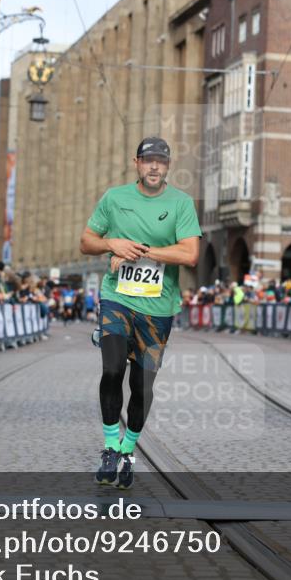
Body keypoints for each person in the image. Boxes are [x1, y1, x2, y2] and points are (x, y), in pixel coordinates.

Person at [79, 136, 201, 489]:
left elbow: (189, 254)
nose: (154, 167)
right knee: (113, 368)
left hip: (158, 308)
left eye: (160, 161)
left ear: (168, 166)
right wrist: (110, 244)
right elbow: (86, 242)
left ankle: (128, 451)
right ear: (137, 163)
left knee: (141, 385)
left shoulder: (181, 203)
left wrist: (140, 252)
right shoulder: (115, 198)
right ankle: (109, 448)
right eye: (148, 160)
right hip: (117, 298)